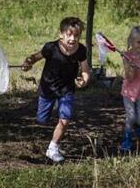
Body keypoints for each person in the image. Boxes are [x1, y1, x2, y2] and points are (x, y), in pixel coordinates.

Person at [21, 17, 91, 163]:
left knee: (65, 119)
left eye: (76, 36)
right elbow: (35, 57)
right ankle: (54, 126)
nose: (72, 39)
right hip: (48, 89)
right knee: (42, 119)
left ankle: (53, 147)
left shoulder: (81, 50)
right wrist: (28, 63)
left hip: (67, 90)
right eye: (69, 35)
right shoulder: (51, 48)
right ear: (61, 34)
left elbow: (85, 70)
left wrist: (84, 80)